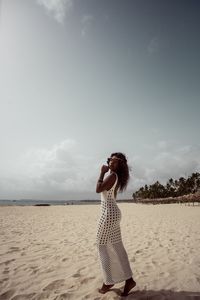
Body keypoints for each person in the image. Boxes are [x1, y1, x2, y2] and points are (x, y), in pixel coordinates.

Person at [96, 152, 136, 297]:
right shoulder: (116, 177)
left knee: (101, 246)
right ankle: (129, 280)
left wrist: (101, 173)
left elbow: (98, 189)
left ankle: (108, 282)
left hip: (108, 214)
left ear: (120, 164)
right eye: (109, 160)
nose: (110, 162)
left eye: (114, 160)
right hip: (113, 213)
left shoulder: (112, 176)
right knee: (117, 247)